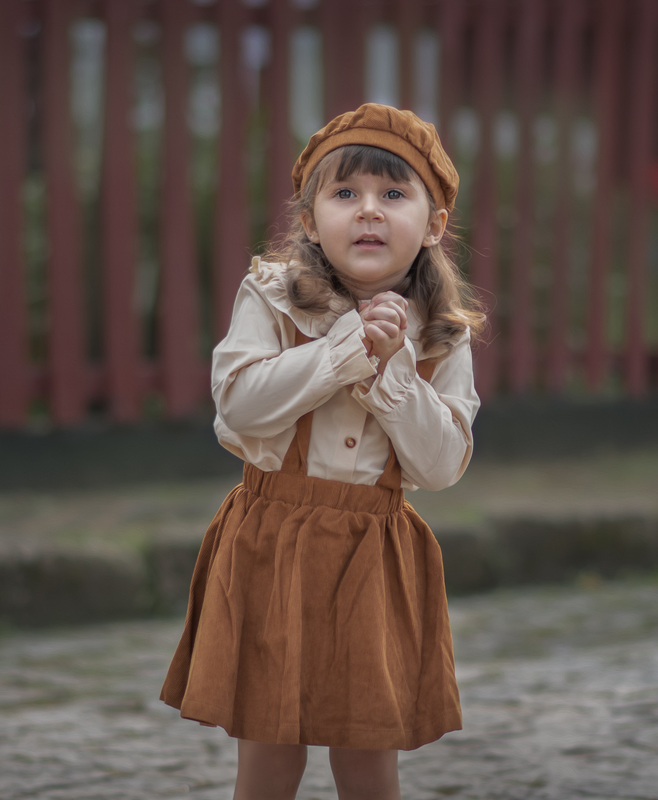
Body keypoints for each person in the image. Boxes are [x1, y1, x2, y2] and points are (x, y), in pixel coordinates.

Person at [160, 103, 486, 800]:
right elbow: (238, 406)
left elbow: (440, 465)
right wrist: (343, 350)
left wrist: (393, 366)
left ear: (433, 226)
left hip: (375, 554)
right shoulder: (272, 297)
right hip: (271, 541)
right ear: (310, 220)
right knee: (271, 752)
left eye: (393, 195)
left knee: (367, 754)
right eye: (345, 194)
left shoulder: (442, 335)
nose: (368, 211)